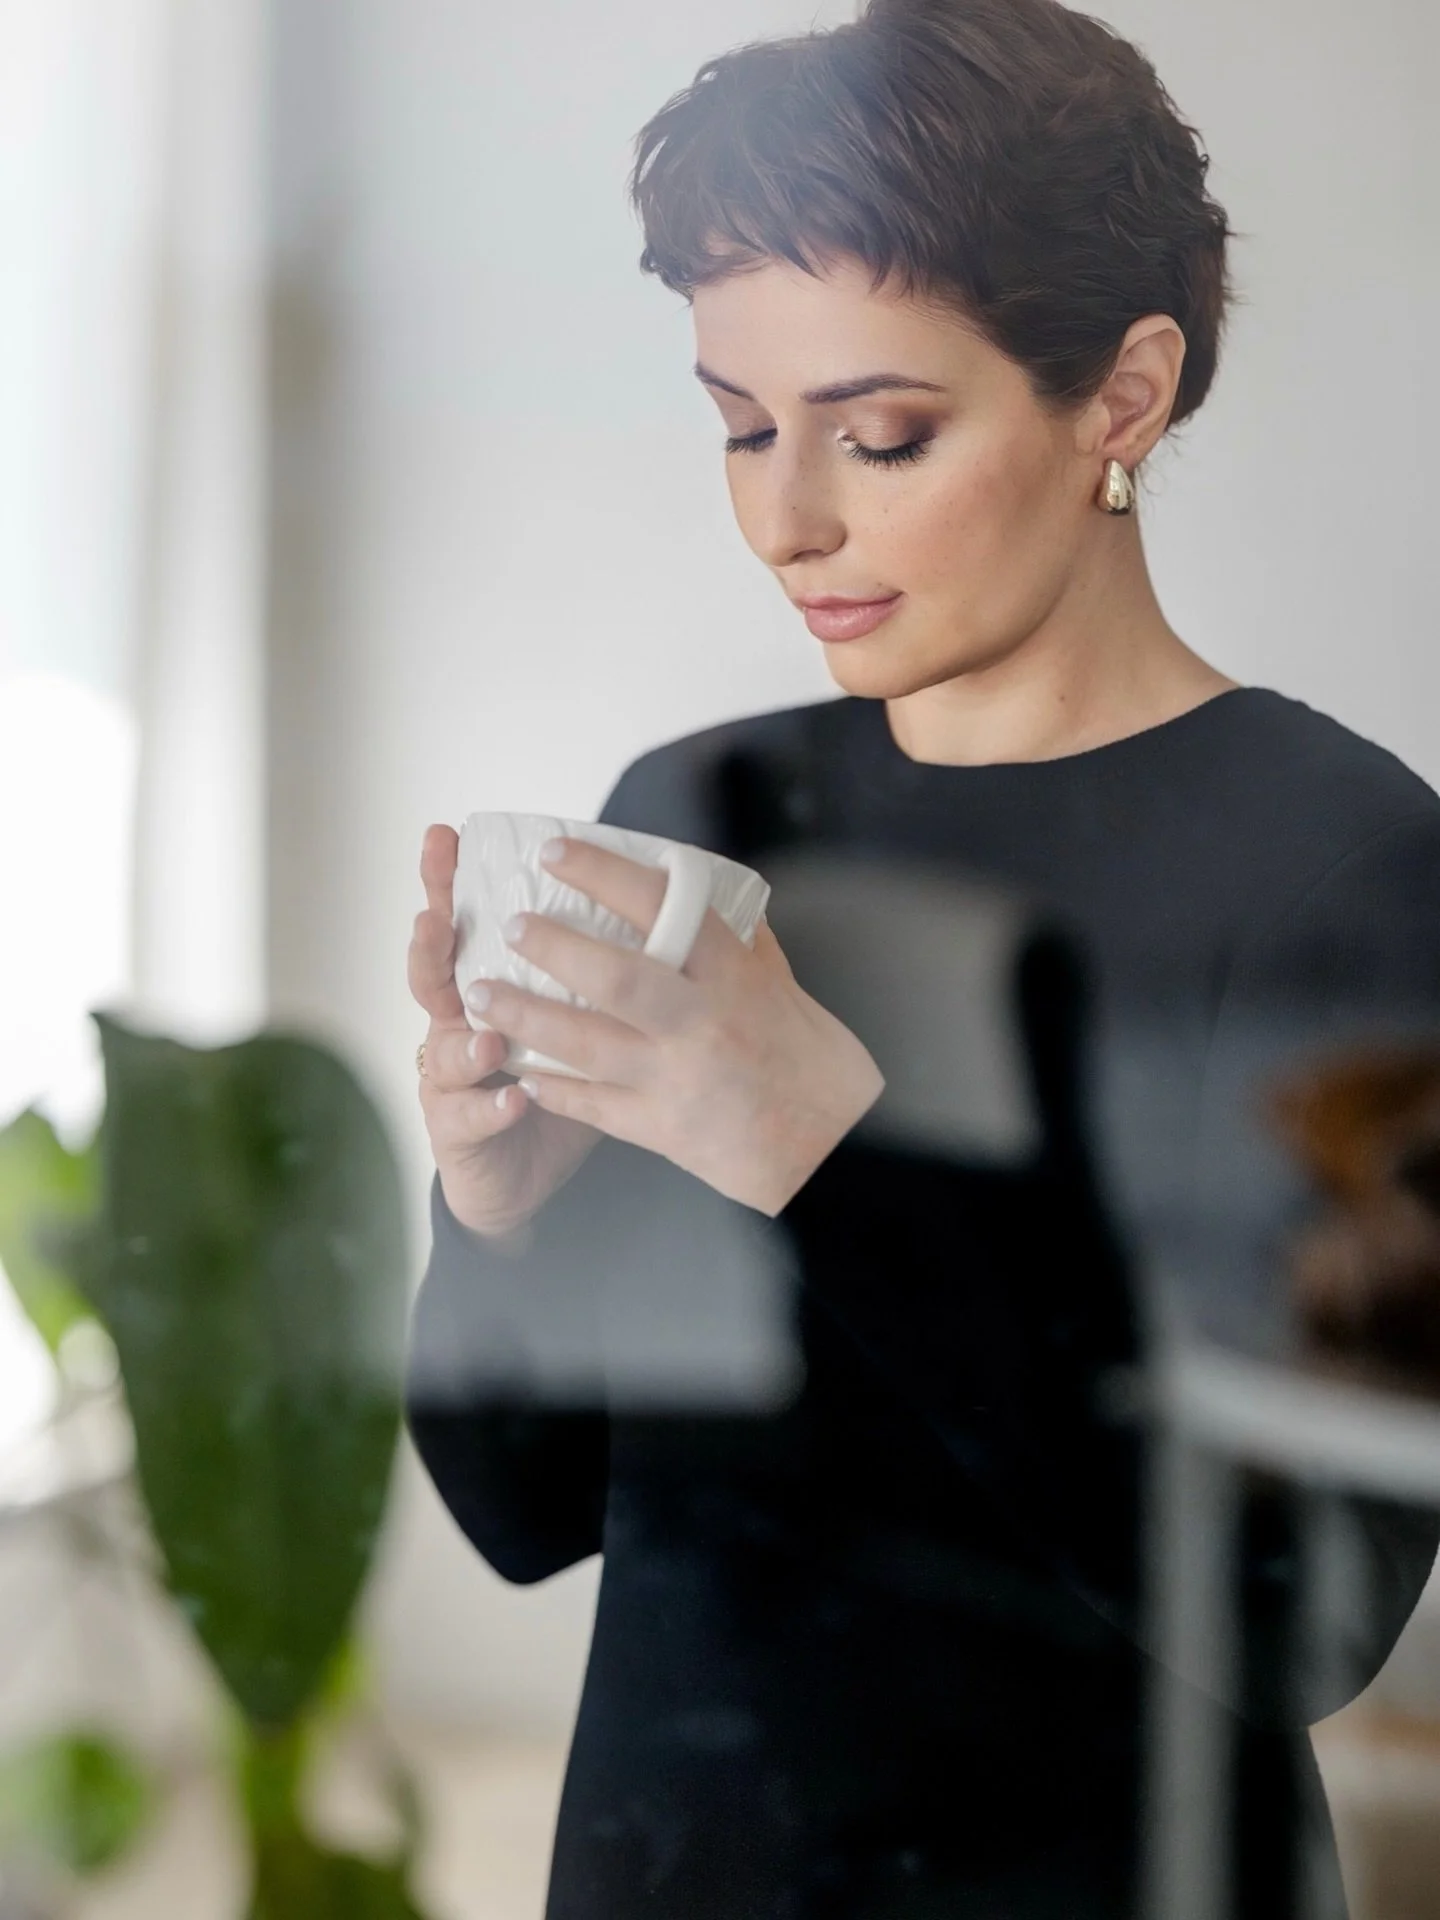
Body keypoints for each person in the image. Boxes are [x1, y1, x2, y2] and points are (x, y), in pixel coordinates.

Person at [403, 2, 1440, 1914]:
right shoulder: (699, 811)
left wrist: (821, 1142)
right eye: (738, 425)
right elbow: (530, 1519)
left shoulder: (1350, 869)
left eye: (882, 435)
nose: (786, 520)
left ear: (1120, 398)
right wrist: (500, 1215)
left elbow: (1315, 1620)